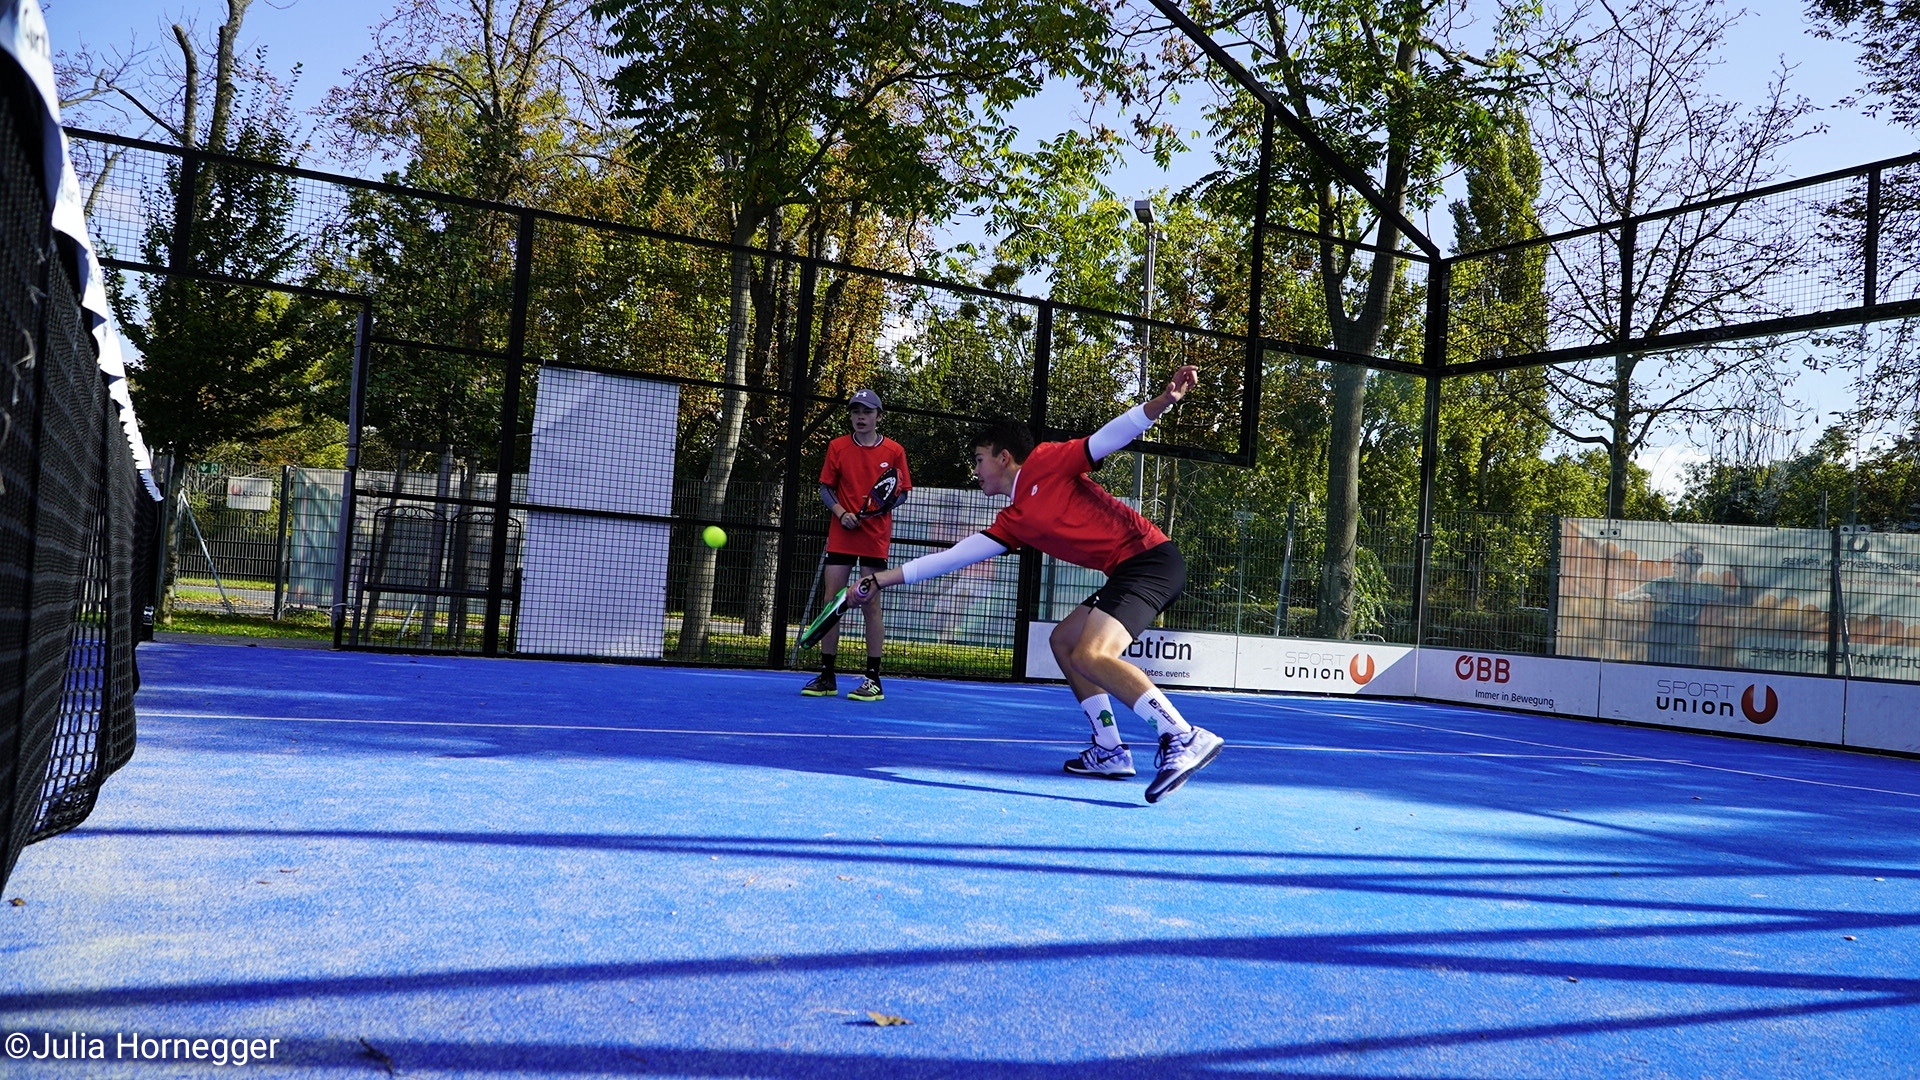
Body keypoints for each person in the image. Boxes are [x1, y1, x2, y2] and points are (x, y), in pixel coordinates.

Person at [851, 365, 1221, 803]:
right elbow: (951, 558)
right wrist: (880, 579)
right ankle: (1109, 749)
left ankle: (1182, 734)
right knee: (1065, 641)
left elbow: (1109, 437)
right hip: (1128, 569)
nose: (976, 470)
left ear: (1003, 457)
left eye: (979, 459)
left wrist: (1162, 403)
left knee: (1092, 653)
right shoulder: (1013, 520)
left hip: (1150, 560)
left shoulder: (1046, 461)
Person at [802, 389, 912, 702]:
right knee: (832, 601)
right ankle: (827, 675)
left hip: (874, 536)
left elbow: (901, 492)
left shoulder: (894, 450)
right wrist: (842, 513)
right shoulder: (837, 446)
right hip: (842, 533)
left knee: (869, 603)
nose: (861, 417)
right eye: (855, 412)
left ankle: (873, 678)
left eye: (867, 412)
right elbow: (826, 489)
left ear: (879, 416)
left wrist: (877, 511)